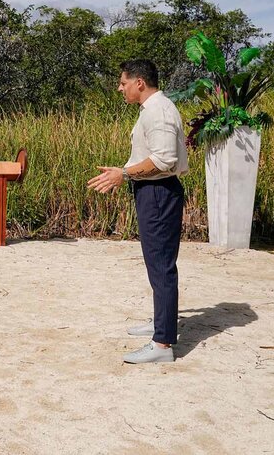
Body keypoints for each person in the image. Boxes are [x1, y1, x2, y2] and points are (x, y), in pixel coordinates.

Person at [88, 59, 189, 364]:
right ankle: (161, 322)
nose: (120, 88)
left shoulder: (158, 111)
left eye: (123, 83)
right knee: (156, 263)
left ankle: (162, 345)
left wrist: (125, 174)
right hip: (153, 192)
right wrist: (124, 172)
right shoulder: (153, 109)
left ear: (140, 82)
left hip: (159, 193)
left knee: (161, 265)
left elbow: (164, 160)